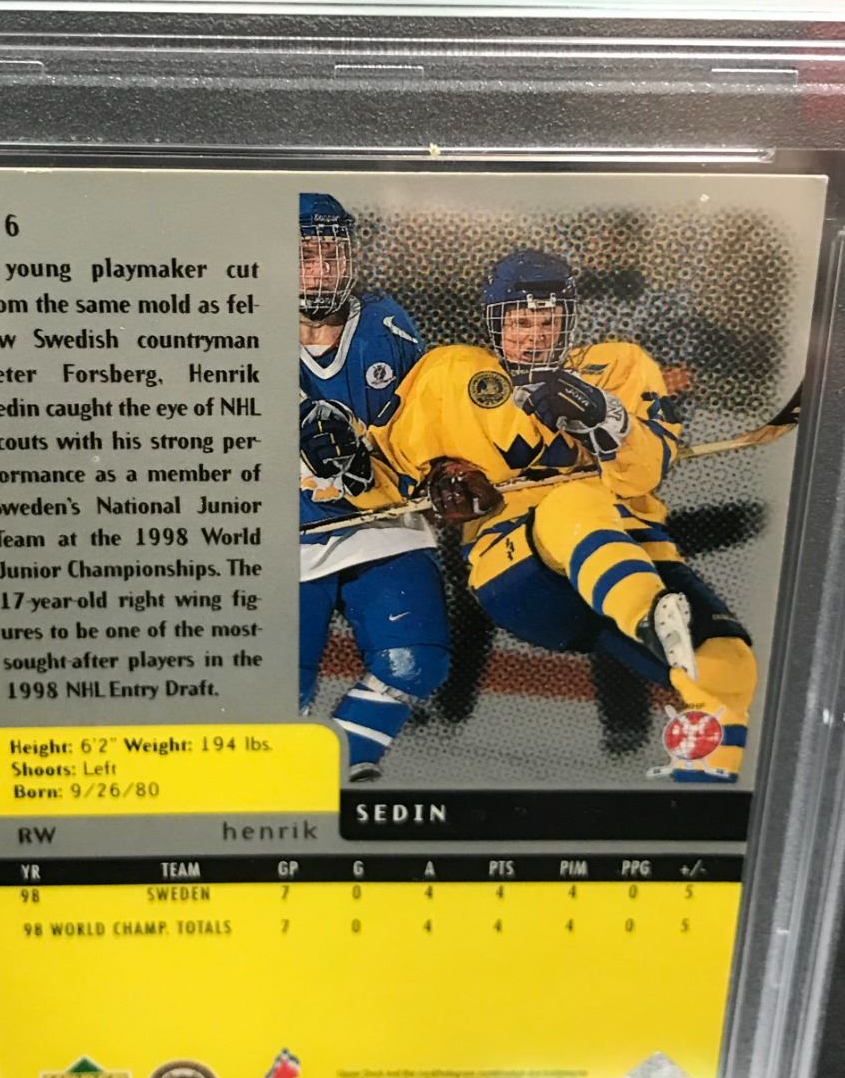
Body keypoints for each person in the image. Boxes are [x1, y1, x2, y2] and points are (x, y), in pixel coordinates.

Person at [359, 247, 756, 782]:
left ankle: (706, 781)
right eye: (520, 322)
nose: (535, 337)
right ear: (494, 320)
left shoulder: (617, 365)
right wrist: (438, 479)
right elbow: (389, 467)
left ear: (569, 321)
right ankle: (648, 617)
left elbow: (643, 474)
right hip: (518, 570)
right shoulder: (451, 374)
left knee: (729, 660)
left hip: (629, 545)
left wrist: (606, 418)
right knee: (572, 503)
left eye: (548, 323)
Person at [296, 194, 450, 782]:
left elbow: (423, 424)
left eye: (332, 255)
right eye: (304, 256)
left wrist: (443, 469)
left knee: (415, 662)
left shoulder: (386, 322)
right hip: (287, 534)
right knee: (276, 691)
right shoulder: (231, 325)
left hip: (381, 519)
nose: (321, 270)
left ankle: (340, 759)